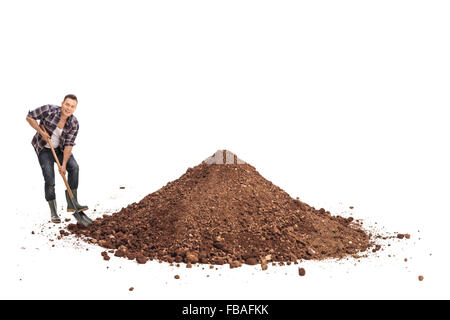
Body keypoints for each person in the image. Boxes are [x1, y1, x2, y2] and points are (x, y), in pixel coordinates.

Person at [26, 94, 90, 225]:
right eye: (67, 104)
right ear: (62, 103)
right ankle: (54, 212)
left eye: (72, 106)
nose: (68, 108)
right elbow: (29, 117)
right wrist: (41, 132)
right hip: (44, 148)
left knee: (74, 167)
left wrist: (64, 164)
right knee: (49, 178)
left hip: (60, 150)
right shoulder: (49, 110)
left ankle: (72, 203)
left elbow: (68, 145)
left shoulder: (74, 123)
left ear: (74, 109)